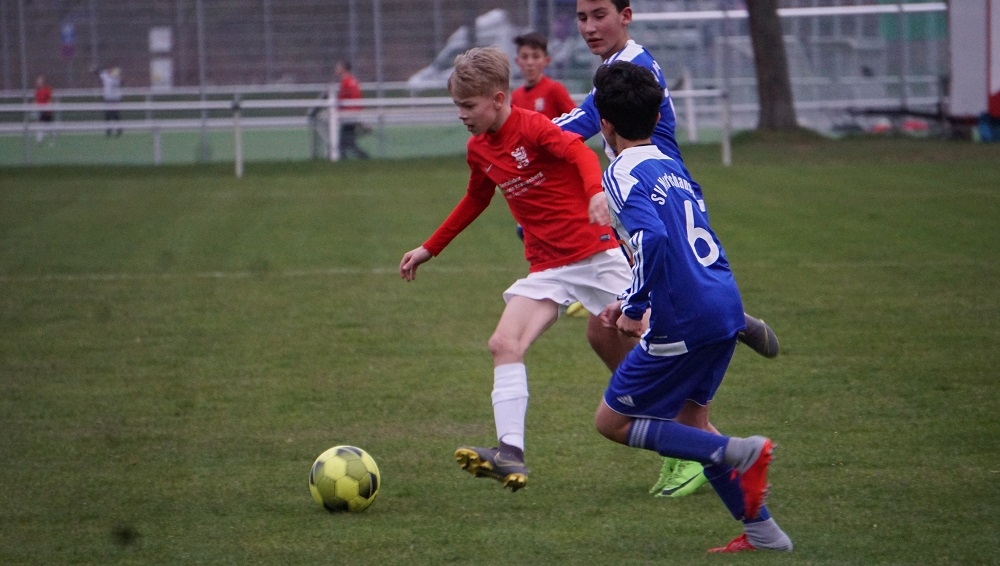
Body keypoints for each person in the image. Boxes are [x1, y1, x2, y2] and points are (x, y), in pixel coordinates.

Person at [557, 0, 780, 498]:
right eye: (581, 17)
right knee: (611, 333)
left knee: (611, 352)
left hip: (649, 204)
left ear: (626, 15)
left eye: (599, 14)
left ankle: (702, 449)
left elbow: (570, 128)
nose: (589, 27)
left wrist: (511, 133)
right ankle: (756, 519)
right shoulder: (628, 70)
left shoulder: (626, 71)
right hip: (676, 199)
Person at [398, 46, 635, 492]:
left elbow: (582, 155)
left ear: (498, 99)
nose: (462, 115)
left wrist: (594, 193)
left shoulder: (533, 127)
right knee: (503, 343)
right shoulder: (478, 149)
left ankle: (729, 322)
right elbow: (475, 199)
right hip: (547, 267)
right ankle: (511, 452)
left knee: (659, 335)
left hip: (595, 254)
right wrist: (430, 248)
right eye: (457, 106)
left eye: (469, 106)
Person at [592, 60, 793, 553]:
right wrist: (629, 298)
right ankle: (764, 533)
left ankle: (738, 452)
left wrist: (635, 307)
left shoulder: (619, 172)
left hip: (681, 319)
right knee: (691, 424)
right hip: (722, 303)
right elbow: (685, 239)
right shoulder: (670, 163)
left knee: (612, 422)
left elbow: (653, 239)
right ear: (656, 116)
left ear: (605, 125)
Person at [511, 31, 577, 120]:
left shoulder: (555, 89)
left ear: (546, 61)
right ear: (517, 61)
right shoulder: (515, 96)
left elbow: (575, 120)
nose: (530, 62)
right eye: (524, 57)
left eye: (536, 57)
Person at [334, 61, 370, 160]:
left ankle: (364, 158)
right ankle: (364, 158)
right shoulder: (353, 81)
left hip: (348, 115)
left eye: (338, 67)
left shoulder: (346, 82)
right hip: (351, 115)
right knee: (348, 143)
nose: (336, 69)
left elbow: (344, 100)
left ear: (344, 69)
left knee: (343, 144)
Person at [97, 66, 122, 137]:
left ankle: (118, 129)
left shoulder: (115, 78)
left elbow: (121, 83)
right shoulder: (106, 76)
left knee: (115, 115)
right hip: (108, 99)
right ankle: (109, 129)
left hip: (115, 99)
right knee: (108, 115)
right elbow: (99, 72)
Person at [34, 74, 53, 144]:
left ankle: (51, 139)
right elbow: (37, 100)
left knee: (48, 126)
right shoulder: (37, 91)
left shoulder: (47, 89)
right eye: (38, 82)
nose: (39, 83)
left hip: (47, 110)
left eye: (40, 82)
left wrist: (48, 109)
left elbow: (49, 99)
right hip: (40, 110)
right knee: (39, 124)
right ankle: (39, 140)